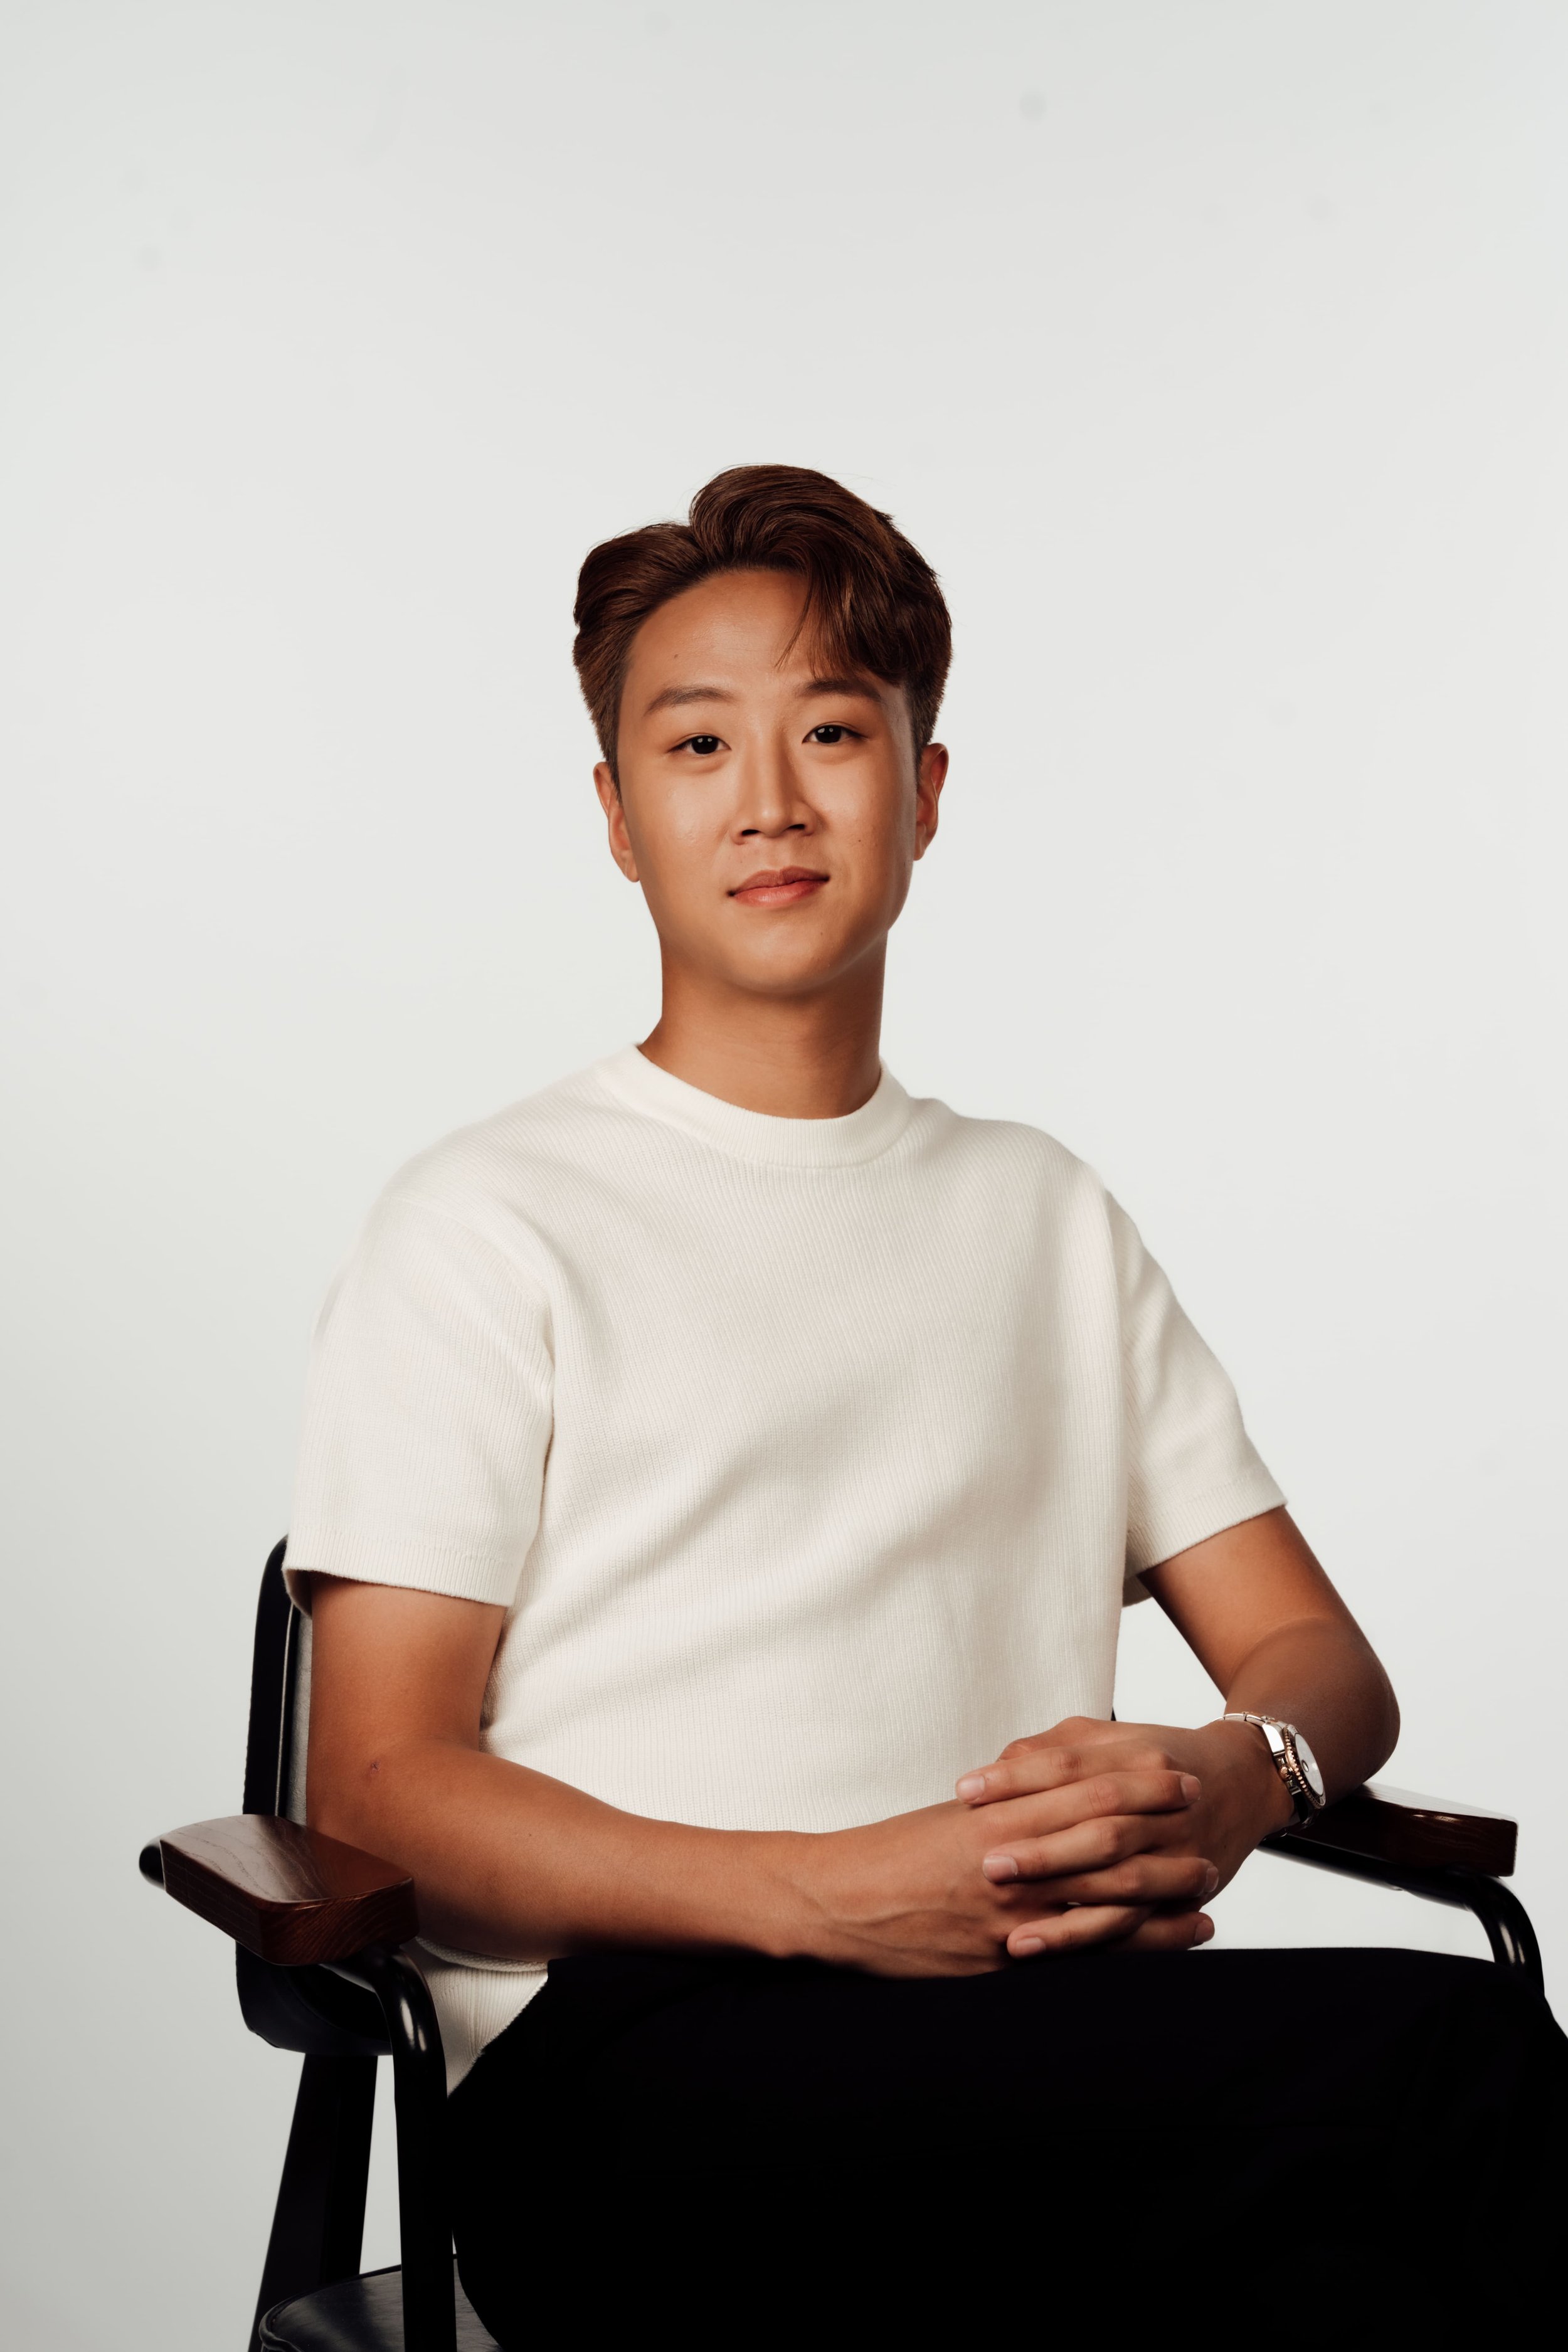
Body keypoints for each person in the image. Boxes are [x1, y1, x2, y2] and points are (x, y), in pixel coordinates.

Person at [285, 465, 1563, 2342]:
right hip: (630, 2067)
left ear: (925, 791)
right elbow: (379, 1784)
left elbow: (1311, 1654)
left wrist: (1238, 1774)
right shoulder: (487, 1220)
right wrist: (820, 1896)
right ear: (619, 820)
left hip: (1028, 2039)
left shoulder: (1037, 1211)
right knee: (1450, 2058)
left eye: (831, 733)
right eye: (698, 744)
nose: (773, 800)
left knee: (1351, 2289)